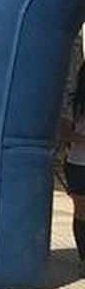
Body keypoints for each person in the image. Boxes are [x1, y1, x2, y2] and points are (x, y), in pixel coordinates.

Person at [60, 59, 85, 270]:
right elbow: (64, 132)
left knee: (81, 212)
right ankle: (84, 257)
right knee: (81, 211)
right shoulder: (73, 105)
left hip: (77, 164)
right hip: (78, 164)